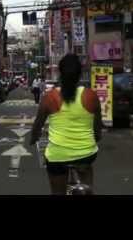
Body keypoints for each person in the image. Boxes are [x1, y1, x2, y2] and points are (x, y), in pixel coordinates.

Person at [30, 54, 104, 195]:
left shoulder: (49, 97)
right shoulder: (91, 96)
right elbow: (97, 128)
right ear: (80, 73)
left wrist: (33, 139)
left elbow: (37, 125)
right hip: (86, 153)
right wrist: (96, 137)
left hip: (57, 156)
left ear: (60, 73)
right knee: (87, 184)